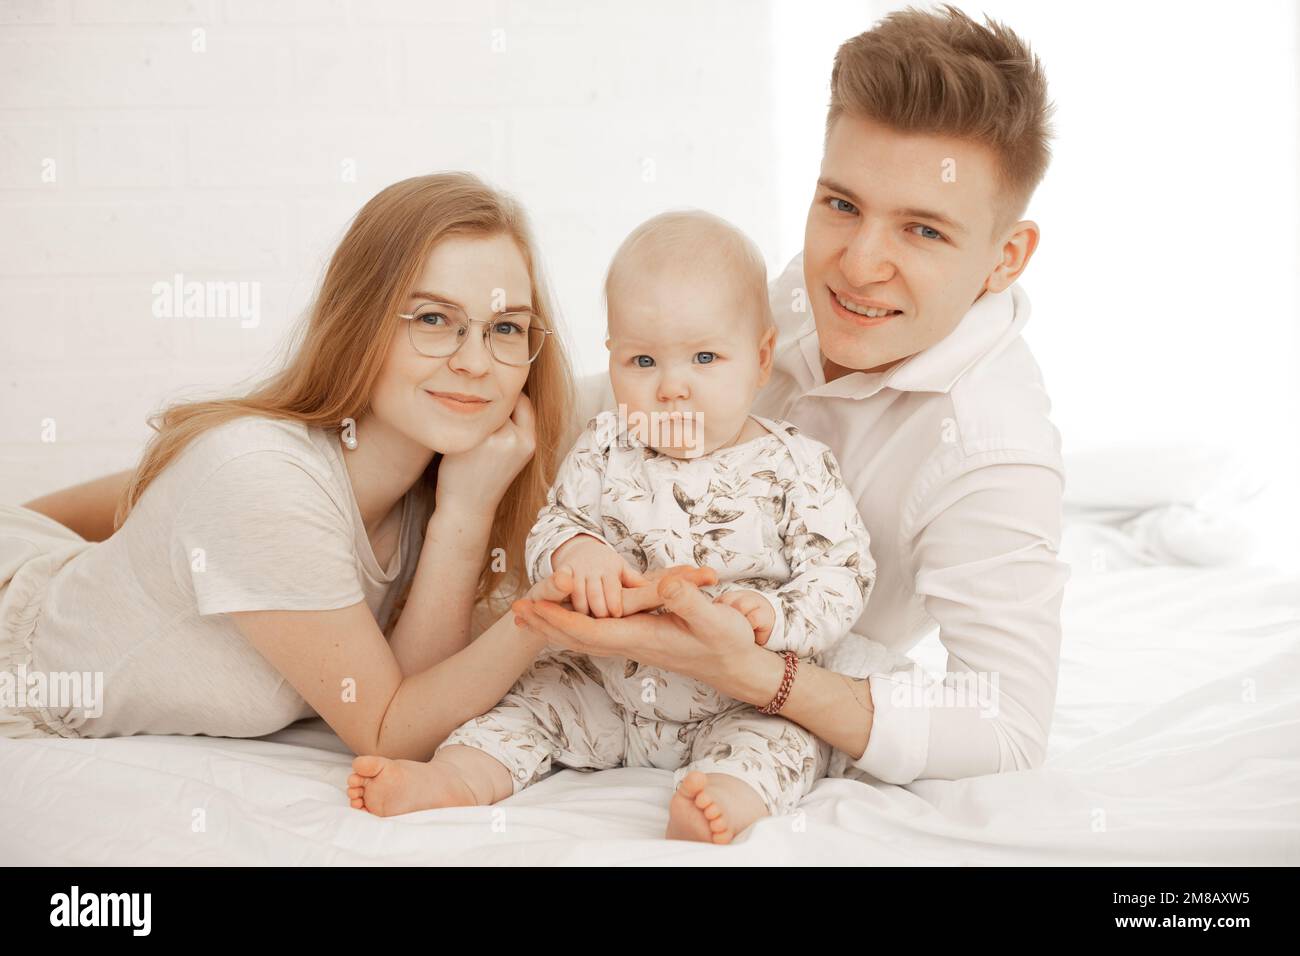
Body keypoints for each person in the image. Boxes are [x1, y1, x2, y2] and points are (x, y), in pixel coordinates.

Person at [511, 4, 1071, 786]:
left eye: (924, 231)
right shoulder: (804, 299)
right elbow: (643, 394)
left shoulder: (991, 449)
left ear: (1006, 258)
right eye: (841, 204)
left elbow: (1007, 726)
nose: (858, 264)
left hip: (751, 707)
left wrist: (756, 677)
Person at [2, 171, 709, 752]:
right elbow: (387, 732)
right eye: (433, 319)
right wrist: (542, 619)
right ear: (362, 320)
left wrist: (464, 513)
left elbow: (412, 694)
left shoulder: (438, 478)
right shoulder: (259, 476)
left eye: (503, 328)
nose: (473, 361)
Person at [348, 210, 874, 843]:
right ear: (612, 358)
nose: (671, 388)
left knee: (783, 741)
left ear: (761, 359)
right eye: (643, 360)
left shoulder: (797, 465)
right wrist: (578, 550)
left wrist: (771, 614)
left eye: (705, 357)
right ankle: (455, 781)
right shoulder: (604, 445)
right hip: (603, 684)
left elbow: (842, 573)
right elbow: (553, 526)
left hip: (737, 697)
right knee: (528, 704)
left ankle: (726, 800)